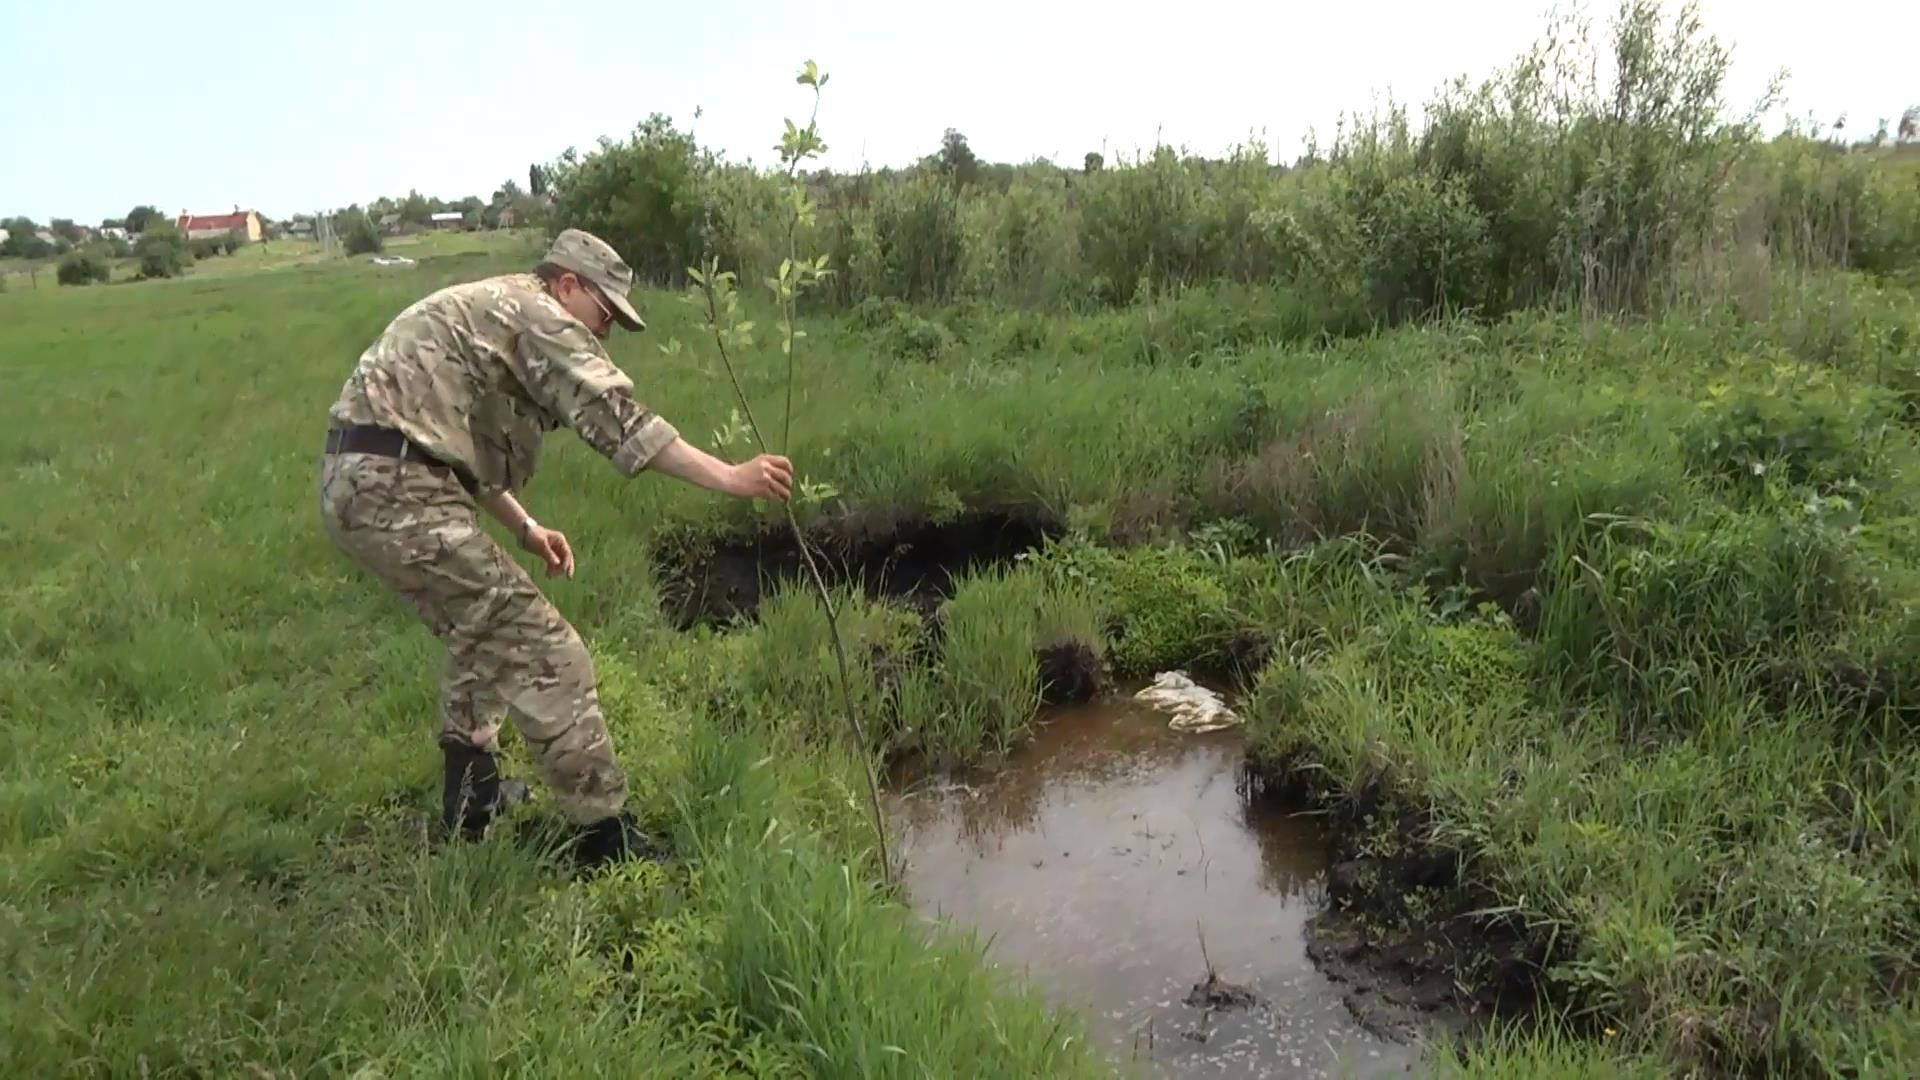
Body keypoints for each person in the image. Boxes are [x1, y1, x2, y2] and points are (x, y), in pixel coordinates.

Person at [316, 227, 791, 868]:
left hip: (376, 481)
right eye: (603, 314)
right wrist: (732, 477)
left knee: (482, 624)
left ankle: (471, 801)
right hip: (394, 487)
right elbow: (618, 418)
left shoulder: (497, 308)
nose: (604, 333)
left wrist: (523, 527)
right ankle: (604, 838)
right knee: (549, 649)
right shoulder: (535, 312)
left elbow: (441, 444)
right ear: (567, 284)